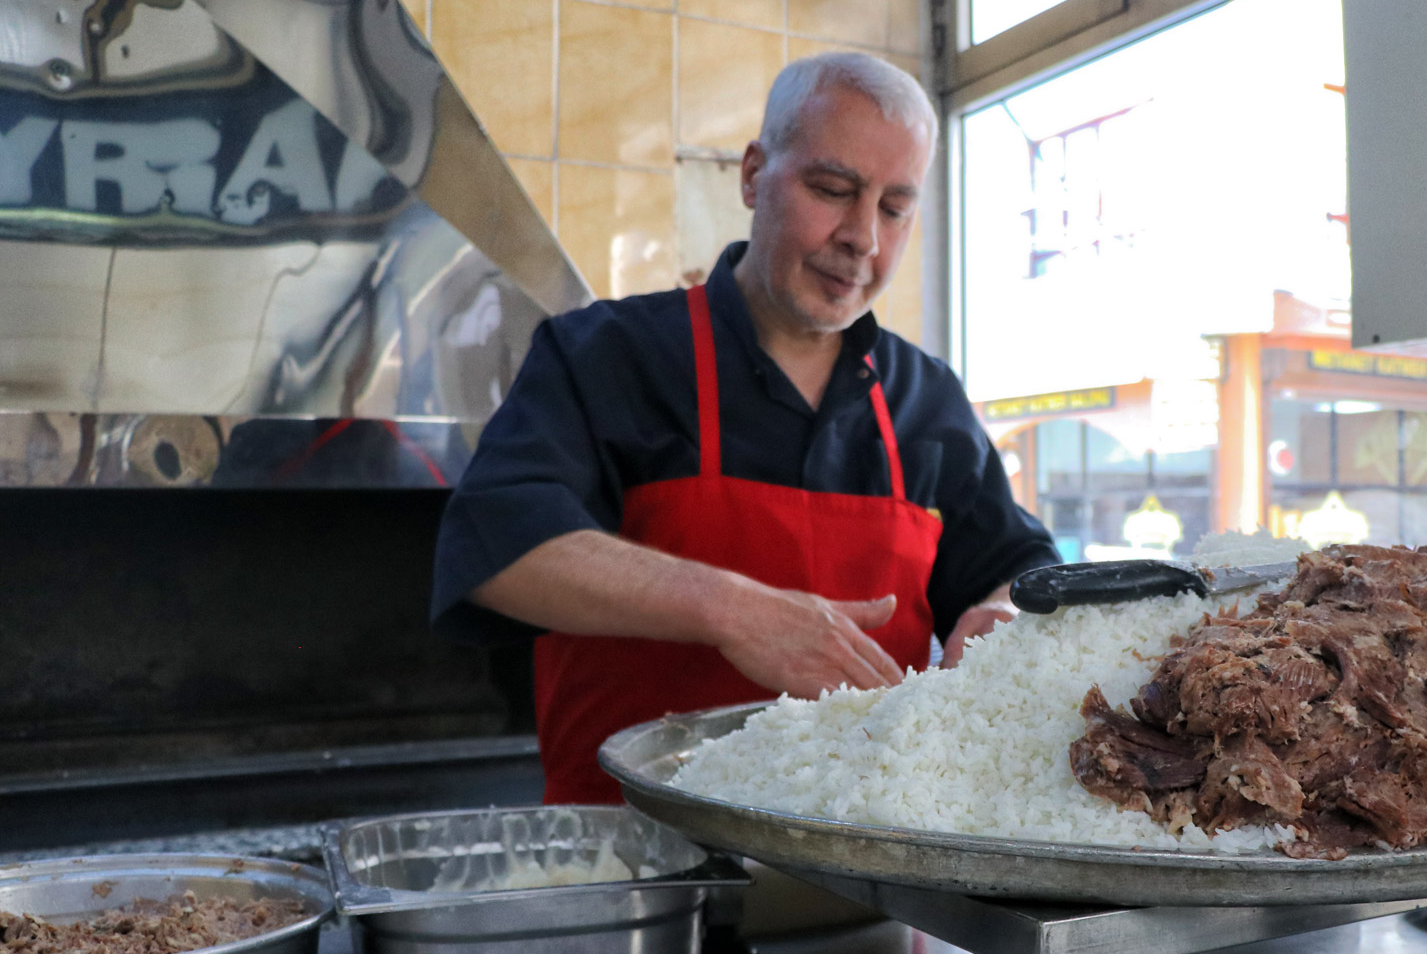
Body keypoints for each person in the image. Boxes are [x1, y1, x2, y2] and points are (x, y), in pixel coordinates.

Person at [430, 52, 1060, 802]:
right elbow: (500, 547)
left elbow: (1024, 572)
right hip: (638, 873)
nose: (862, 235)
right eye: (833, 189)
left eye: (894, 208)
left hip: (866, 872)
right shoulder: (605, 354)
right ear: (755, 174)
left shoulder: (926, 398)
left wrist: (1002, 613)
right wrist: (737, 612)